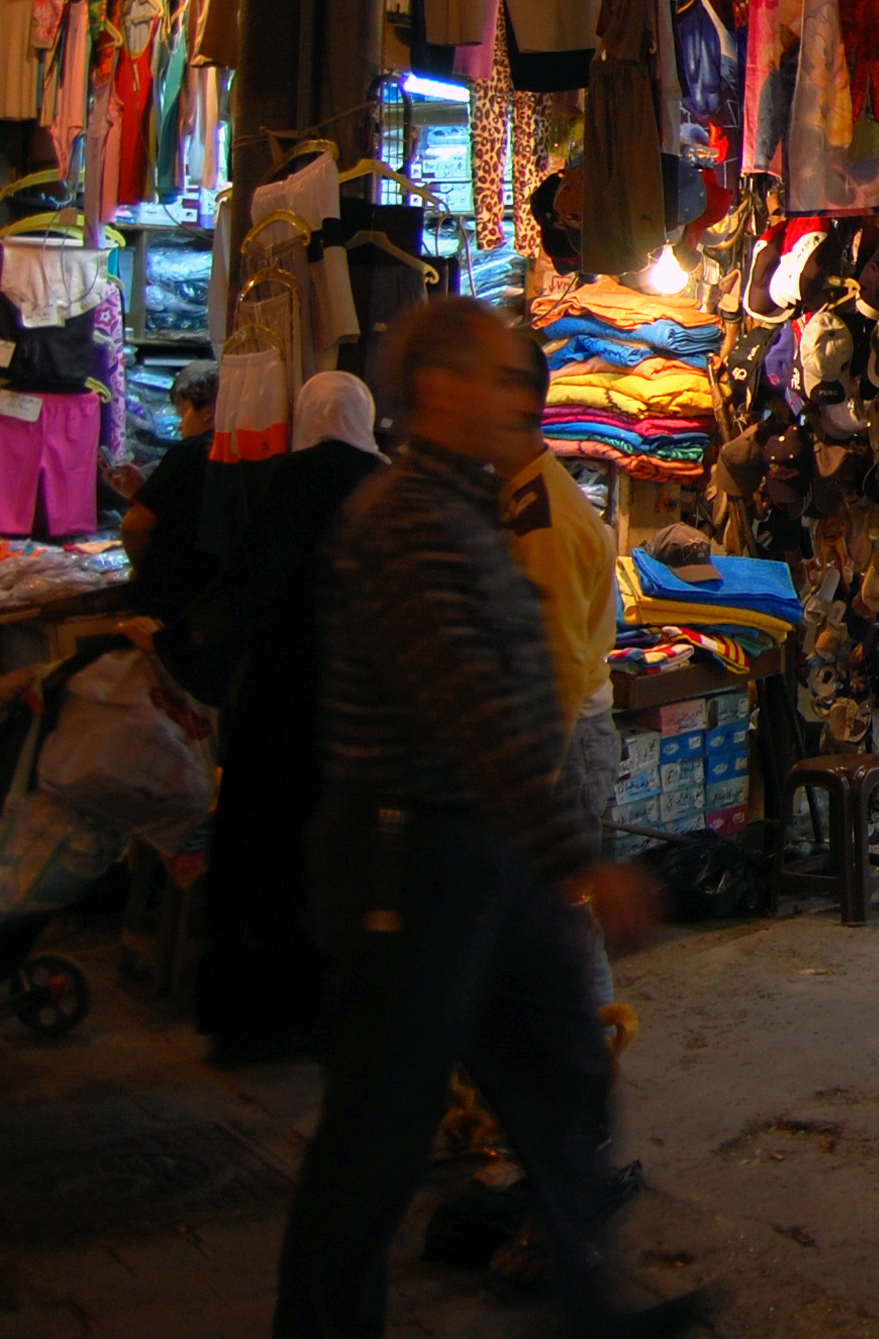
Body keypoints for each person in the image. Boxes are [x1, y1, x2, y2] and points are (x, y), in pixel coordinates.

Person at [272, 299, 701, 1339]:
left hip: (484, 851)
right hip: (410, 854)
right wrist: (574, 855)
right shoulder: (408, 522)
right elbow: (471, 704)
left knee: (559, 1079)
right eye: (505, 379)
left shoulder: (475, 508)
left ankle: (591, 1302)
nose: (525, 399)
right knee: (378, 1128)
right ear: (440, 389)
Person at [194, 372, 384, 1065]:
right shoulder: (384, 486)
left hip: (277, 704)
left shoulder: (283, 482)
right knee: (338, 867)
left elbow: (246, 592)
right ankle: (331, 1016)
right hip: (354, 711)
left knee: (263, 856)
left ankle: (255, 1021)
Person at [499, 338, 623, 1002]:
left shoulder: (543, 517)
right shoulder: (523, 499)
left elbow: (556, 668)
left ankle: (585, 1062)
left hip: (560, 745)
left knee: (562, 927)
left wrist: (532, 790)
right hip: (561, 740)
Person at [121, 359, 222, 696]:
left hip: (171, 601)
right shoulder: (238, 453)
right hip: (206, 601)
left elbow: (136, 527)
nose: (179, 425)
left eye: (183, 414)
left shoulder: (190, 451)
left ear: (207, 412)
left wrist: (141, 567)